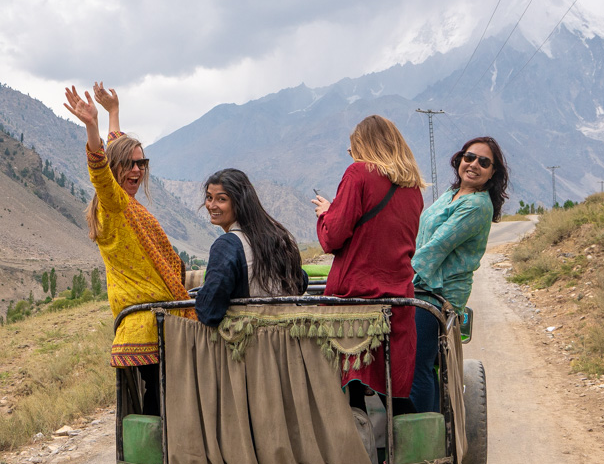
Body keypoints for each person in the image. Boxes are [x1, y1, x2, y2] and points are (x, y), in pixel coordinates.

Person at [63, 82, 191, 415]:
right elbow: (101, 173)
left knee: (162, 393)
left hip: (158, 320)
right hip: (148, 325)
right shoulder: (115, 205)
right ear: (116, 167)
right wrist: (92, 126)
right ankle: (158, 460)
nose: (137, 169)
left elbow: (115, 150)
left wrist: (113, 113)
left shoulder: (126, 204)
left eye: (142, 163)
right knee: (162, 398)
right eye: (131, 164)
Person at [312, 114, 425, 414]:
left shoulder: (358, 174)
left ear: (363, 146)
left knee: (351, 391)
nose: (352, 156)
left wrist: (326, 213)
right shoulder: (413, 187)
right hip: (398, 299)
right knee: (393, 391)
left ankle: (357, 457)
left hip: (354, 300)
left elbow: (333, 238)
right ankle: (414, 454)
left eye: (353, 149)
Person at [410, 136, 507, 412]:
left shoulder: (477, 206)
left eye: (483, 162)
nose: (474, 164)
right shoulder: (450, 195)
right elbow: (421, 237)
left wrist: (397, 276)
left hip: (439, 295)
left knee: (420, 367)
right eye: (469, 157)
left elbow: (436, 248)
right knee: (413, 364)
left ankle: (427, 440)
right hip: (421, 287)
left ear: (492, 172)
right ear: (459, 160)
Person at [193, 168, 308, 327]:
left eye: (221, 199)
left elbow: (210, 311)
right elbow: (301, 281)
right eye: (209, 198)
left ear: (239, 202)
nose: (211, 206)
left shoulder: (227, 245)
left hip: (252, 341)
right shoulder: (278, 236)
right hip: (291, 337)